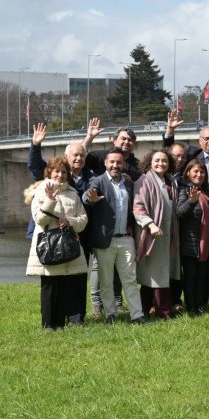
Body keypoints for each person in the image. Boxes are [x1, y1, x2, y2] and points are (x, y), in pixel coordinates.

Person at [28, 122, 95, 323]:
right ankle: (52, 321)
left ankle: (76, 317)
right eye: (74, 156)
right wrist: (35, 145)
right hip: (49, 237)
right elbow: (35, 166)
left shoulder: (88, 177)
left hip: (76, 236)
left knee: (75, 278)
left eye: (82, 155)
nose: (78, 158)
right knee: (52, 282)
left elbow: (83, 215)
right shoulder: (44, 187)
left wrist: (72, 221)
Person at [82, 148, 147, 324]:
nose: (115, 165)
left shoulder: (129, 183)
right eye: (112, 162)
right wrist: (90, 198)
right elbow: (87, 196)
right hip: (105, 240)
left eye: (119, 162)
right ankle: (111, 314)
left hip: (125, 238)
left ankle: (137, 315)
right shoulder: (98, 181)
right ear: (105, 163)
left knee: (130, 279)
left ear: (123, 164)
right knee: (106, 281)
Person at [133, 149, 180, 320]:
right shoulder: (143, 180)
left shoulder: (171, 181)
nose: (161, 163)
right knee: (156, 274)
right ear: (149, 162)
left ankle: (146, 308)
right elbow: (137, 208)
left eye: (164, 160)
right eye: (157, 160)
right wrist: (151, 224)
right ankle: (163, 313)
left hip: (168, 233)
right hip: (152, 233)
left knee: (156, 273)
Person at [176, 159, 209, 316]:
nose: (199, 174)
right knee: (190, 276)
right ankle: (191, 308)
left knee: (203, 275)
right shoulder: (185, 189)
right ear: (188, 173)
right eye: (195, 171)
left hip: (206, 242)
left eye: (202, 172)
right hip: (190, 242)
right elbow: (179, 213)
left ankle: (201, 305)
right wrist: (191, 201)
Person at [167, 142, 188, 312]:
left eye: (183, 156)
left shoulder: (185, 177)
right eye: (176, 156)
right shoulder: (160, 175)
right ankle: (155, 303)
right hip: (161, 228)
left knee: (177, 267)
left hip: (181, 229)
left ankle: (175, 300)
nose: (180, 159)